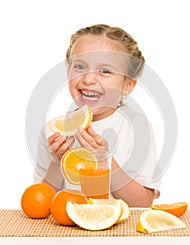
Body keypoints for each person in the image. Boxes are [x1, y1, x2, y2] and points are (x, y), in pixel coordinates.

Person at [34, 24, 161, 207]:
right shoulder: (53, 130)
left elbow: (142, 203)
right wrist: (56, 162)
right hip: (65, 233)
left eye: (105, 71)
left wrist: (105, 160)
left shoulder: (138, 128)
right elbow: (40, 203)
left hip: (118, 232)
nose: (88, 79)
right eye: (80, 66)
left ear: (127, 85)